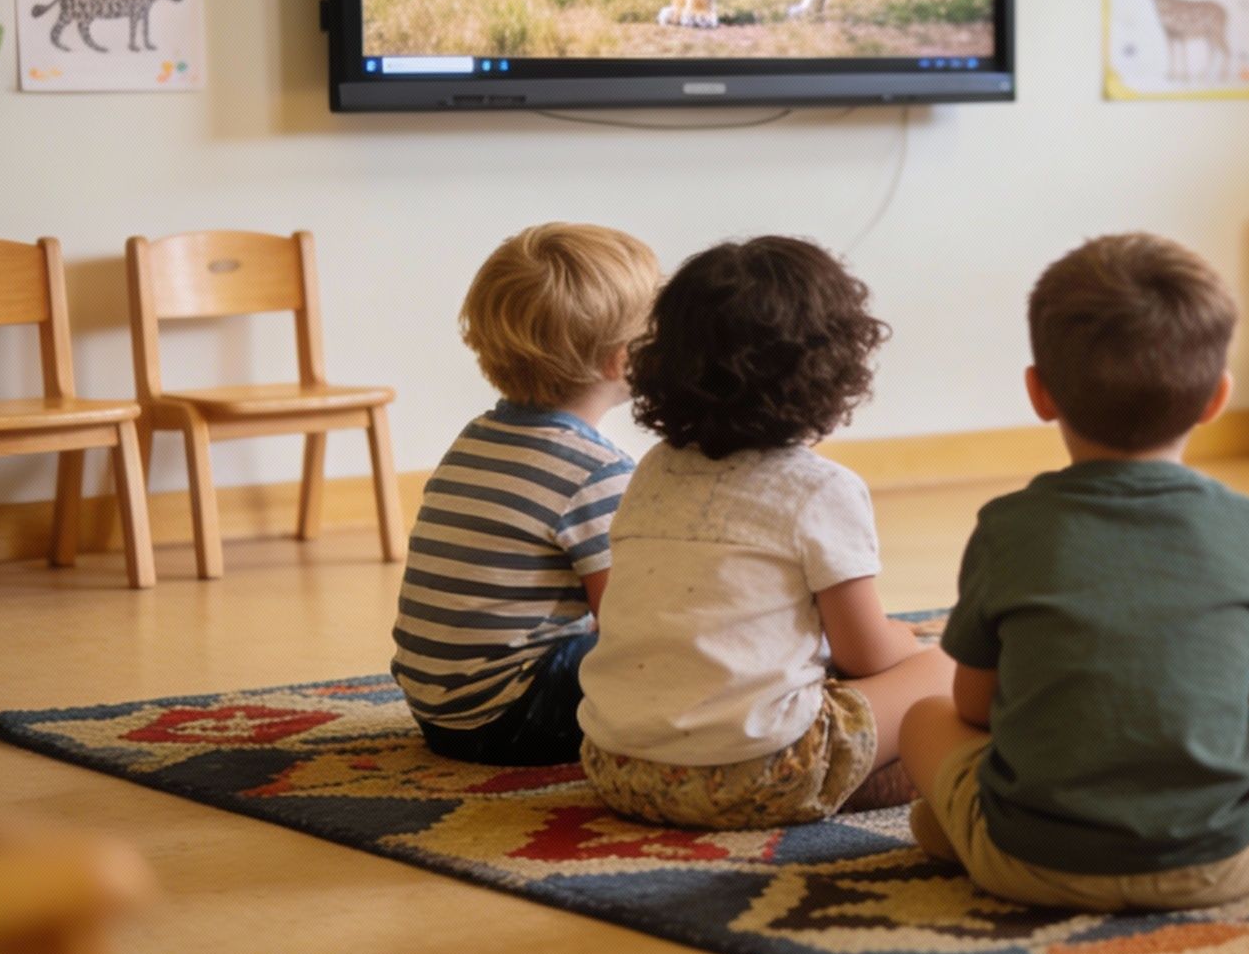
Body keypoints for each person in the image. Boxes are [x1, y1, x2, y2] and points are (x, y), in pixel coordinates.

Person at [899, 234, 1249, 910]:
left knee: (925, 716)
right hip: (1222, 864)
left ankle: (963, 827)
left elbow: (975, 707)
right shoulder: (1244, 523)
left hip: (1026, 862)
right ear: (1218, 398)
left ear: (1039, 393)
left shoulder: (1008, 526)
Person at [575, 237, 952, 827]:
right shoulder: (819, 489)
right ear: (833, 371)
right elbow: (864, 651)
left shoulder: (651, 471)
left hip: (617, 766)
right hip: (755, 774)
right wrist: (912, 645)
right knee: (944, 671)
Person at [390, 223, 658, 765]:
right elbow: (628, 626)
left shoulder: (477, 437)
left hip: (442, 712)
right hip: (515, 715)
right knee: (672, 654)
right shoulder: (596, 472)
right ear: (620, 358)